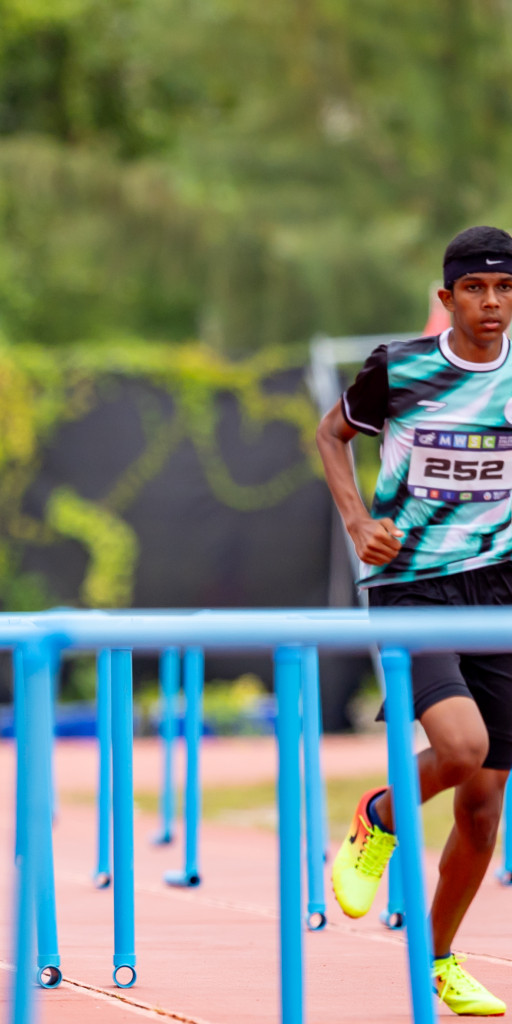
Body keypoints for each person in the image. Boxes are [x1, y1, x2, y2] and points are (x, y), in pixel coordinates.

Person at [317, 225, 512, 1016]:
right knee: (462, 750)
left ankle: (435, 962)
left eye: (504, 290)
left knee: (483, 806)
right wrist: (359, 524)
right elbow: (332, 436)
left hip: (499, 592)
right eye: (475, 289)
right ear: (447, 298)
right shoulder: (400, 369)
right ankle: (378, 816)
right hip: (411, 584)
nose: (492, 304)